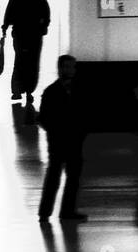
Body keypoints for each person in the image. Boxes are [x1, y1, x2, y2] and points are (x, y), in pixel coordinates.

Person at [37, 55, 88, 222]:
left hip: (71, 140)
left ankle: (61, 211)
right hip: (60, 140)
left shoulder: (73, 90)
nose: (69, 70)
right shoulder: (51, 92)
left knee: (70, 177)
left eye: (71, 67)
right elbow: (44, 118)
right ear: (60, 69)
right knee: (55, 176)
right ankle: (48, 212)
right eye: (66, 67)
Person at [1, 0, 50, 120]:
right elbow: (46, 14)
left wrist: (5, 27)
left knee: (19, 62)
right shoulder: (41, 1)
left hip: (20, 34)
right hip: (35, 35)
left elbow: (9, 13)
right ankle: (28, 91)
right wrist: (43, 26)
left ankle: (18, 90)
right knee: (32, 64)